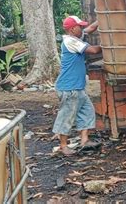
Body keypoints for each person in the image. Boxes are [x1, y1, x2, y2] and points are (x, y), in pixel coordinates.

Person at [53, 15, 102, 156]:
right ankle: (63, 146)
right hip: (69, 88)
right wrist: (110, 45)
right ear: (73, 29)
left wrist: (103, 17)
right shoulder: (70, 41)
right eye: (80, 27)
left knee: (87, 111)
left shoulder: (75, 37)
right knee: (67, 116)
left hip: (77, 87)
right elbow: (93, 50)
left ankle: (84, 141)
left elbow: (91, 28)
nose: (82, 29)